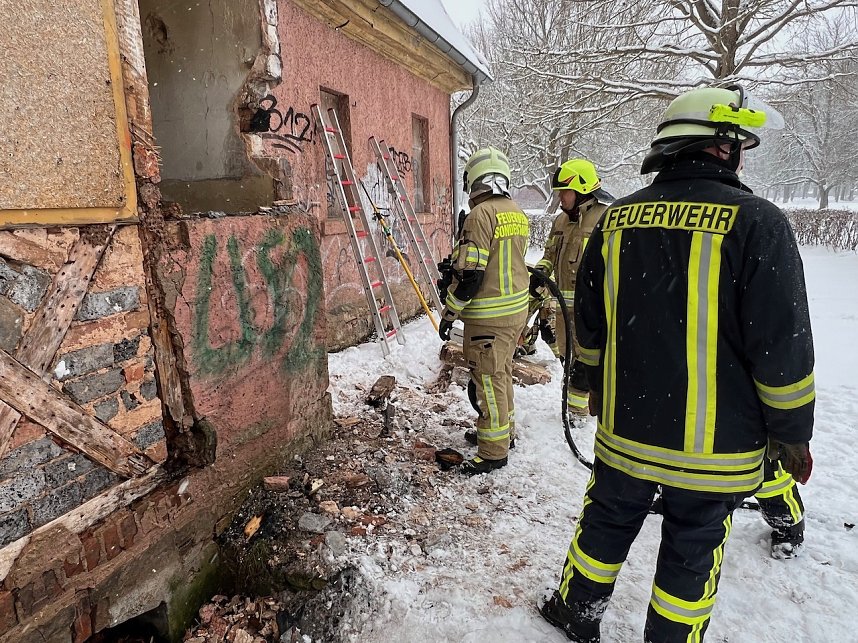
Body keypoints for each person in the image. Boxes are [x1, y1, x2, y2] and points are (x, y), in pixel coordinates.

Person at [538, 85, 815, 642]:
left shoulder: (613, 223)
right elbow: (782, 350)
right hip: (713, 450)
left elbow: (589, 328)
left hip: (626, 434)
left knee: (606, 522)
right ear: (719, 147)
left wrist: (591, 385)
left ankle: (576, 612)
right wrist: (793, 436)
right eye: (737, 143)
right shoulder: (758, 223)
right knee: (693, 552)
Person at [438, 146, 530, 475]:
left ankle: (492, 451)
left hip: (488, 318)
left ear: (475, 181)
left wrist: (449, 314)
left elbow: (470, 276)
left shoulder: (480, 215)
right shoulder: (515, 212)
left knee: (487, 381)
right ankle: (505, 435)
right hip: (512, 314)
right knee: (501, 375)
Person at [526, 160, 614, 415]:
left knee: (584, 368)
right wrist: (541, 273)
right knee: (569, 361)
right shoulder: (561, 222)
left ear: (582, 190)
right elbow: (549, 255)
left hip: (591, 314)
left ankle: (578, 415)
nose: (560, 199)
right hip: (566, 313)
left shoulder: (605, 220)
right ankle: (574, 409)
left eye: (564, 192)